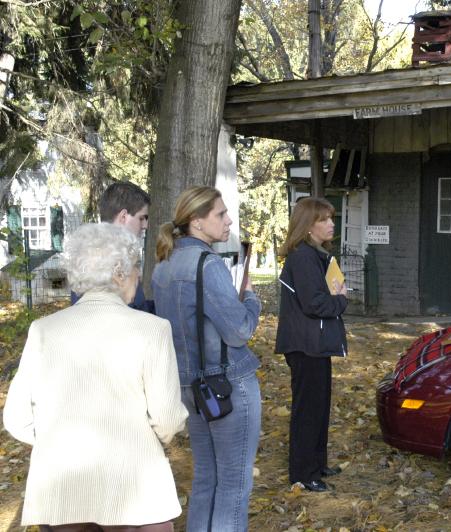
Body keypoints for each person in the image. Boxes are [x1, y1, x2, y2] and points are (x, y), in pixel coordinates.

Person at [3, 222, 187, 531]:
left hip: (62, 489)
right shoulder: (153, 329)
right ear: (119, 273)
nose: (138, 275)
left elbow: (16, 419)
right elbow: (168, 419)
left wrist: (59, 441)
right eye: (135, 267)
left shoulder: (43, 330)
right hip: (133, 487)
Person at [151, 186, 262, 531]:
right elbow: (239, 331)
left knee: (206, 479)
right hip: (227, 385)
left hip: (190, 386)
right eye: (221, 214)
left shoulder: (164, 265)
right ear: (196, 221)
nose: (229, 220)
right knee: (234, 485)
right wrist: (251, 298)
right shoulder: (208, 264)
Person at [275, 197, 348, 493]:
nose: (331, 224)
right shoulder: (303, 257)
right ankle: (303, 473)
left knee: (319, 407)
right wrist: (341, 300)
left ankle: (316, 464)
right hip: (304, 345)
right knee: (308, 410)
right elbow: (314, 303)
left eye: (331, 218)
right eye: (324, 219)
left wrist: (337, 296)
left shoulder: (316, 255)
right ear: (308, 225)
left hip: (314, 344)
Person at [71, 181, 154, 312]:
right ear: (123, 216)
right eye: (141, 218)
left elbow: (138, 306)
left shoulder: (94, 256)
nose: (145, 226)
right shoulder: (96, 262)